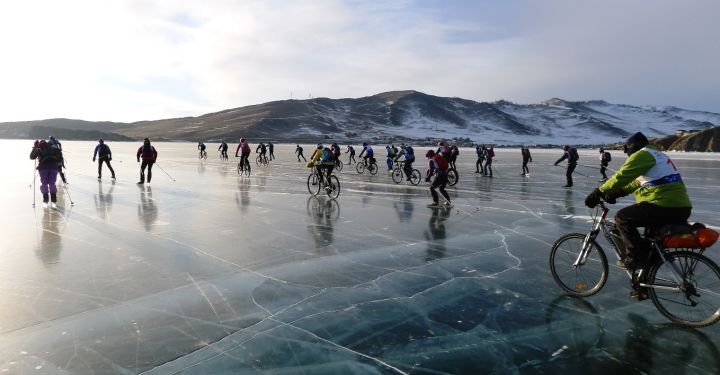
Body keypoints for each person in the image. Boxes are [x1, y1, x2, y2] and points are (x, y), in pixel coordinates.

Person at [584, 132, 692, 276]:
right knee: (649, 245)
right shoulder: (658, 155)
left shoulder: (643, 154)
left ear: (631, 146)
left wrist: (598, 193)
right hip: (681, 207)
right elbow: (638, 181)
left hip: (662, 204)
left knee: (622, 217)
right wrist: (618, 193)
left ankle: (634, 259)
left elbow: (622, 176)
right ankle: (644, 284)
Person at [30, 139, 62, 209]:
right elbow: (59, 157)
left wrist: (34, 148)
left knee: (44, 183)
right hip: (53, 168)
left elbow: (32, 157)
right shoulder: (52, 148)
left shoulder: (38, 149)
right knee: (52, 183)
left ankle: (45, 201)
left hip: (43, 168)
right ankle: (54, 201)